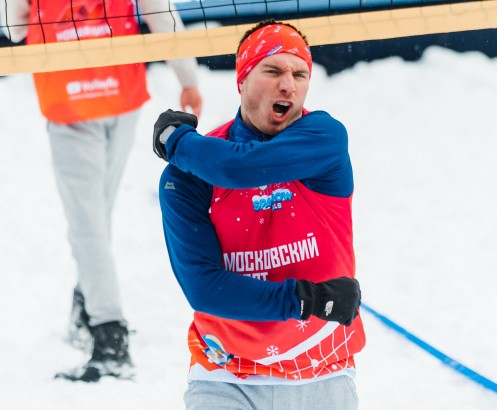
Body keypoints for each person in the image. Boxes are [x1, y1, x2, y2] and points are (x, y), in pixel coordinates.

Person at [152, 19, 365, 409]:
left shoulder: (325, 138)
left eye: (299, 74)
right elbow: (205, 289)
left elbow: (241, 167)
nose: (289, 85)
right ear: (242, 79)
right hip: (225, 375)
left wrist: (176, 142)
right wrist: (307, 300)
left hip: (321, 368)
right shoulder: (187, 177)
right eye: (273, 71)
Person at [1, 0, 202, 382]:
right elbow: (160, 13)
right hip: (119, 94)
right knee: (95, 216)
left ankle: (110, 336)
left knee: (87, 224)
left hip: (71, 97)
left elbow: (15, 29)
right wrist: (187, 78)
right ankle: (87, 305)